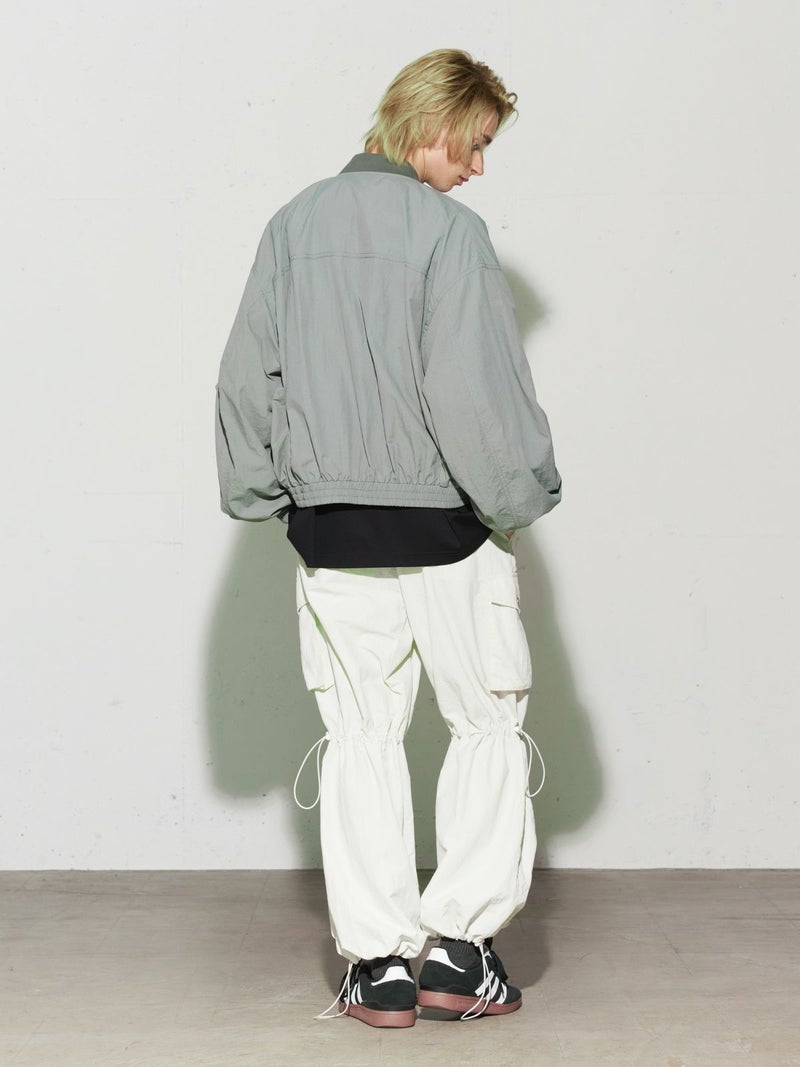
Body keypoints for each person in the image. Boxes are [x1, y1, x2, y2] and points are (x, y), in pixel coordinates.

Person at [214, 48, 562, 1029]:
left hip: (333, 532)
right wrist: (521, 494)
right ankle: (459, 952)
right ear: (433, 123)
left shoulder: (293, 223)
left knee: (360, 736)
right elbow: (472, 389)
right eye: (476, 144)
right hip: (450, 526)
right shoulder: (450, 235)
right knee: (485, 723)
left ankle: (378, 967)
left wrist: (269, 495)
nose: (479, 168)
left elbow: (246, 375)